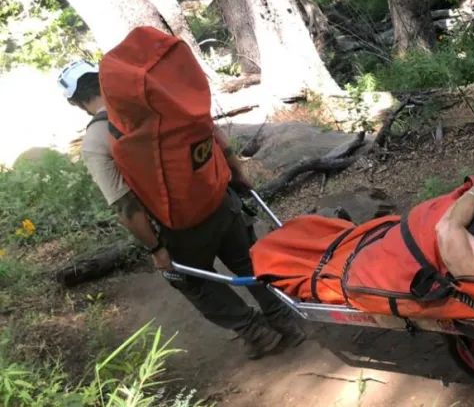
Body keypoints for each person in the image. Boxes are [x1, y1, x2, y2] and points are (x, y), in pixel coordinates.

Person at [58, 60, 305, 359]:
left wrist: (157, 249)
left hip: (177, 228)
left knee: (193, 282)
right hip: (219, 199)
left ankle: (257, 333)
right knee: (248, 261)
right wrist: (237, 173)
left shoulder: (96, 141)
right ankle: (285, 318)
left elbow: (126, 207)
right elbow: (211, 132)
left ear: (74, 101)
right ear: (103, 79)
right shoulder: (155, 100)